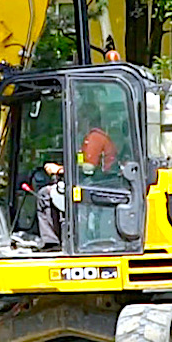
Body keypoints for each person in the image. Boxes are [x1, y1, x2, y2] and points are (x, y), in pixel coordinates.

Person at [35, 105, 120, 252]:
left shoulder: (94, 138)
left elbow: (88, 169)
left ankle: (51, 241)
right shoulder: (95, 136)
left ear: (86, 119)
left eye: (79, 118)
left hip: (96, 184)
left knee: (44, 194)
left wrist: (59, 169)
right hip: (98, 181)